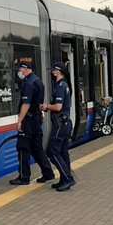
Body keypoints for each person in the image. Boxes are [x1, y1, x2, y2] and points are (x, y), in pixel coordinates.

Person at [9, 62, 54, 186]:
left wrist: (20, 121)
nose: (19, 72)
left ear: (26, 69)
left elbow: (26, 104)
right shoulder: (38, 81)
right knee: (37, 148)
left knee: (23, 147)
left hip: (28, 120)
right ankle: (48, 173)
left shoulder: (29, 83)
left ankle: (24, 177)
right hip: (37, 118)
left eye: (20, 69)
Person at [40, 61, 75, 192]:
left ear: (58, 71)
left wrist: (46, 107)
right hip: (65, 123)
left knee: (52, 151)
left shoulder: (60, 86)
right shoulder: (64, 85)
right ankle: (65, 178)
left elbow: (58, 107)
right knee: (63, 152)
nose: (51, 72)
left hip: (60, 124)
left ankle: (67, 178)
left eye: (53, 70)